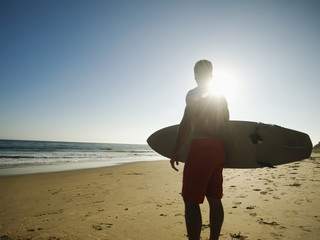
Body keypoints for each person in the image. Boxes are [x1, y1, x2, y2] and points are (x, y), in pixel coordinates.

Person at [170, 60, 229, 240]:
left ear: (195, 77)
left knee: (191, 201)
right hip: (218, 149)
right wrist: (226, 153)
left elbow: (186, 123)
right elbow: (226, 125)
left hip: (200, 149)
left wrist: (176, 150)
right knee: (214, 199)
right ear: (211, 75)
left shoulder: (193, 94)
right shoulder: (221, 97)